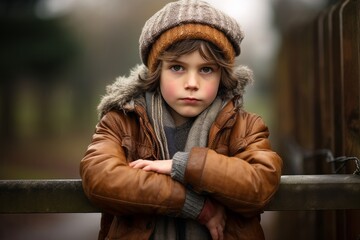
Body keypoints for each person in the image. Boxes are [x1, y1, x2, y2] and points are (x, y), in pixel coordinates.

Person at [80, 0, 283, 239]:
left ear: (222, 75)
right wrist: (193, 205)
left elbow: (260, 183)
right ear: (157, 71)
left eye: (206, 69)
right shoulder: (123, 120)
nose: (192, 83)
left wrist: (186, 165)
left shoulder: (245, 127)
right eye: (177, 67)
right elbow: (100, 176)